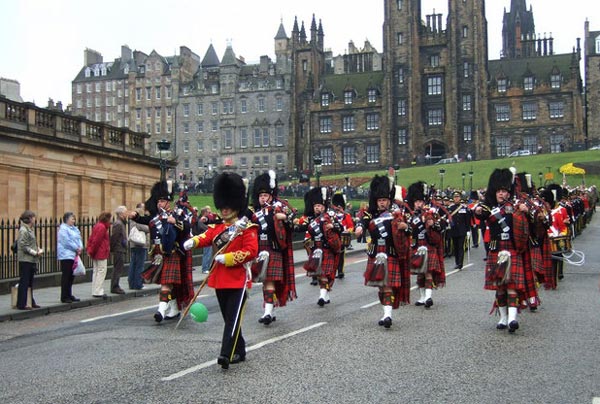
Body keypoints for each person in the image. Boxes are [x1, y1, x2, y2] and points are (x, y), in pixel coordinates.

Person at [184, 173, 258, 369]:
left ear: (235, 205)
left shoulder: (247, 228)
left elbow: (251, 251)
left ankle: (226, 354)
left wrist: (228, 258)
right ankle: (240, 350)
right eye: (222, 207)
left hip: (238, 279)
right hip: (220, 279)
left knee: (232, 319)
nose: (224, 210)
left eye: (227, 207)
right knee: (229, 318)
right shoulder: (218, 227)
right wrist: (193, 241)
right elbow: (207, 236)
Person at [474, 168, 530, 333]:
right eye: (498, 190)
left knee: (512, 286)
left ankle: (513, 318)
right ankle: (503, 317)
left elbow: (531, 224)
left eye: (504, 190)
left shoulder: (516, 207)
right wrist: (476, 210)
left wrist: (527, 212)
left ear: (509, 192)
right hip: (496, 250)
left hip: (512, 249)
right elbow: (480, 212)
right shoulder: (488, 207)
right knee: (500, 287)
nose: (500, 193)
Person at [355, 175, 411, 328]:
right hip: (375, 253)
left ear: (389, 200)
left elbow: (409, 228)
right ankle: (386, 312)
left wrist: (405, 228)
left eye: (384, 200)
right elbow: (362, 223)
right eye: (379, 200)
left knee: (387, 286)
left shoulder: (396, 213)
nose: (382, 203)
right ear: (376, 200)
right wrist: (359, 228)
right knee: (381, 286)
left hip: (390, 252)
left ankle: (388, 315)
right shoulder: (369, 214)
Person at [142, 181, 194, 323]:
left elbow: (188, 226)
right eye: (159, 201)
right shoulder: (155, 219)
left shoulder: (177, 213)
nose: (160, 203)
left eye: (163, 201)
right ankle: (174, 308)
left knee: (166, 282)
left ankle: (160, 311)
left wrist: (175, 222)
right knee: (168, 285)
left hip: (173, 252)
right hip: (159, 254)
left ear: (168, 202)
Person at [250, 170, 297, 325]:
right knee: (265, 282)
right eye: (260, 196)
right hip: (259, 249)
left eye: (265, 195)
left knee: (269, 280)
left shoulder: (279, 207)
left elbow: (292, 219)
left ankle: (268, 312)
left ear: (270, 195)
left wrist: (285, 217)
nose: (262, 198)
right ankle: (270, 309)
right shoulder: (254, 213)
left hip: (273, 248)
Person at [295, 186, 342, 307]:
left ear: (324, 206)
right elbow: (301, 228)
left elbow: (340, 228)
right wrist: (294, 226)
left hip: (328, 248)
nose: (317, 208)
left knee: (326, 274)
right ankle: (324, 295)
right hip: (316, 249)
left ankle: (322, 296)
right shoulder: (310, 219)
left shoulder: (330, 217)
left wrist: (334, 227)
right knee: (321, 275)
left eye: (320, 206)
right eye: (315, 206)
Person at [407, 182, 446, 308]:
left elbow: (441, 227)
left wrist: (432, 224)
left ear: (424, 202)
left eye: (420, 201)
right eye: (416, 202)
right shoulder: (410, 216)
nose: (418, 204)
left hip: (429, 246)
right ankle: (422, 297)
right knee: (420, 273)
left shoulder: (431, 213)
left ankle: (429, 297)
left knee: (428, 272)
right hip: (417, 246)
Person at [16, 210, 43, 310]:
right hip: (25, 259)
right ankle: (21, 303)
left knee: (30, 282)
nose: (35, 219)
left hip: (31, 259)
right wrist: (34, 252)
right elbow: (23, 245)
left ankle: (30, 301)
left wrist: (38, 249)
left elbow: (31, 243)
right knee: (24, 281)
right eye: (33, 217)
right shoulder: (23, 230)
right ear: (30, 218)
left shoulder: (30, 229)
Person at [57, 212, 83, 303]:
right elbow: (66, 242)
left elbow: (79, 238)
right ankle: (64, 296)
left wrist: (80, 247)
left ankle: (69, 294)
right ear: (67, 219)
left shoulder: (74, 229)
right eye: (72, 218)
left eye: (74, 219)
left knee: (71, 276)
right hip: (66, 255)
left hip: (73, 255)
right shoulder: (63, 229)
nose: (74, 220)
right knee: (66, 275)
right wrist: (76, 248)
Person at [87, 211, 112, 298]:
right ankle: (98, 290)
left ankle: (95, 290)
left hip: (96, 252)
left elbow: (91, 239)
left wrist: (90, 250)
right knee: (101, 271)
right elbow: (97, 241)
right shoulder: (102, 227)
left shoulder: (97, 226)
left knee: (96, 271)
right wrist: (92, 250)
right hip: (100, 252)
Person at [331, 192, 355, 279]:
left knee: (341, 256)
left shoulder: (346, 216)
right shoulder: (331, 216)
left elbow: (351, 226)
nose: (338, 208)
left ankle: (340, 271)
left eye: (339, 206)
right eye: (336, 206)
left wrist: (347, 231)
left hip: (342, 238)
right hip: (333, 238)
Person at [128, 203, 149, 290]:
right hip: (140, 244)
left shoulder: (133, 217)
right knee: (139, 265)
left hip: (134, 244)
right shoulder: (138, 216)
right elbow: (145, 228)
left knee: (133, 264)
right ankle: (138, 284)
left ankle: (132, 283)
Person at [448, 191, 471, 269]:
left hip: (462, 230)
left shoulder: (464, 208)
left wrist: (468, 230)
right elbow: (449, 218)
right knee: (455, 247)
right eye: (455, 197)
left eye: (457, 197)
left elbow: (467, 220)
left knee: (460, 247)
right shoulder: (450, 208)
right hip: (454, 230)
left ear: (460, 198)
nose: (456, 198)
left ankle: (460, 263)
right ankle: (457, 262)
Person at [110, 206, 128, 294]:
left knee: (119, 268)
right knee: (117, 268)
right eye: (125, 212)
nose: (126, 214)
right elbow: (114, 237)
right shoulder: (118, 224)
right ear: (121, 214)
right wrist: (113, 248)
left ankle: (116, 285)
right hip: (118, 248)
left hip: (120, 248)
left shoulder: (121, 223)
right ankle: (114, 286)